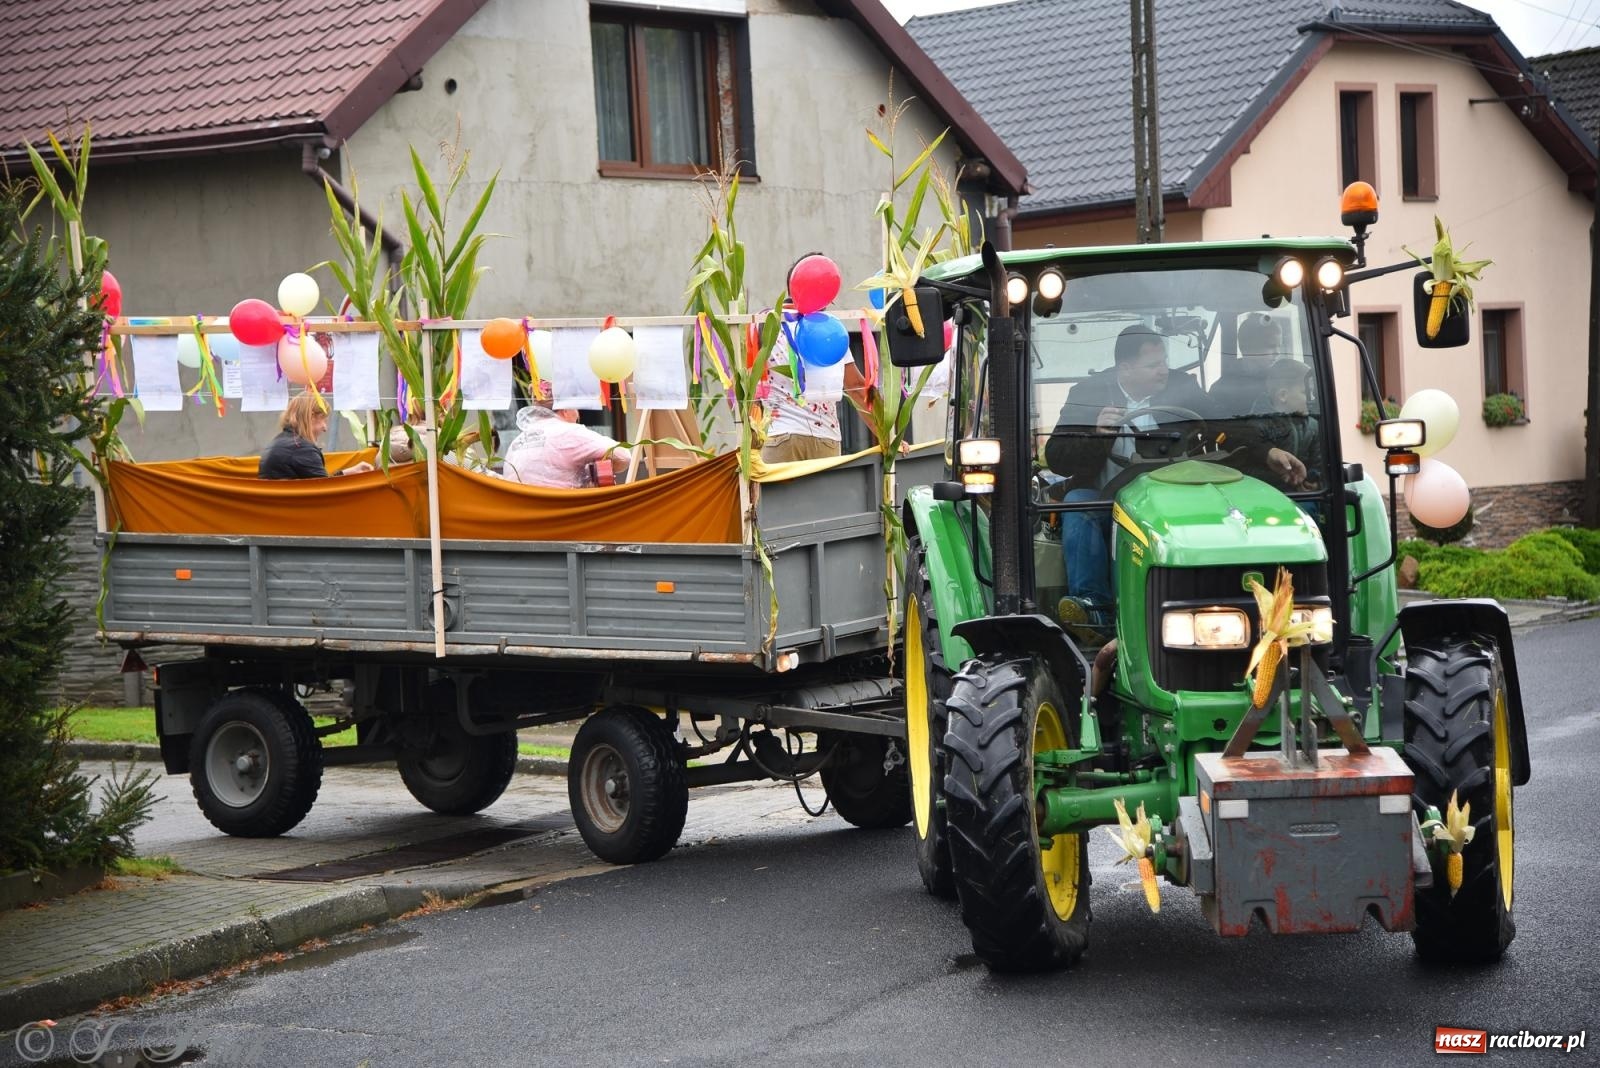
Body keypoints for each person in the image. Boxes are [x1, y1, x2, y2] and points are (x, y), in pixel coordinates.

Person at [1043, 325, 1210, 637]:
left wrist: (1266, 451)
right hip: (1108, 501)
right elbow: (1056, 456)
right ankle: (1093, 611)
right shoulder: (1087, 394)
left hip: (1176, 501)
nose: (1163, 371)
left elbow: (1223, 423)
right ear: (1125, 368)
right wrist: (1094, 435)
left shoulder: (1183, 386)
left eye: (1164, 362)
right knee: (1077, 503)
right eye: (1153, 365)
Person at [501, 387, 631, 488]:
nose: (578, 416)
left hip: (522, 518)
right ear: (565, 409)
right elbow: (623, 455)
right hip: (563, 516)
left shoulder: (516, 442)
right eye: (576, 409)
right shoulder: (570, 432)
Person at [258, 391, 374, 480]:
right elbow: (325, 492)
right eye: (324, 419)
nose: (325, 428)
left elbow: (317, 484)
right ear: (311, 417)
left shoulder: (276, 444)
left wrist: (345, 473)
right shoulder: (302, 449)